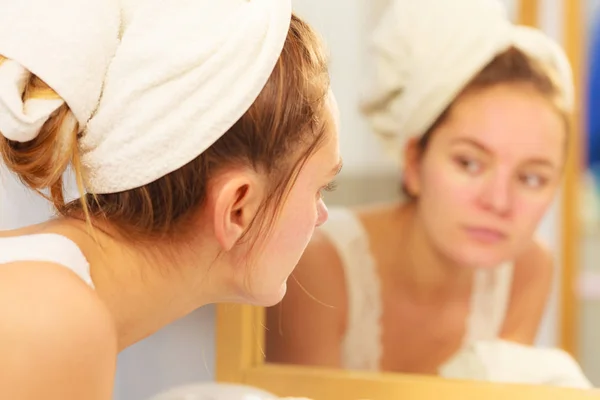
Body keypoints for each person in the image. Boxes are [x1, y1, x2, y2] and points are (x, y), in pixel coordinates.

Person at [0, 0, 341, 398]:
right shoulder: (49, 322)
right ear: (238, 208)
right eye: (319, 189)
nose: (322, 216)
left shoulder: (43, 292)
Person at [265, 0, 574, 376]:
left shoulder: (527, 270)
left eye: (531, 178)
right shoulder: (316, 266)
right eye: (469, 163)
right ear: (413, 162)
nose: (498, 201)